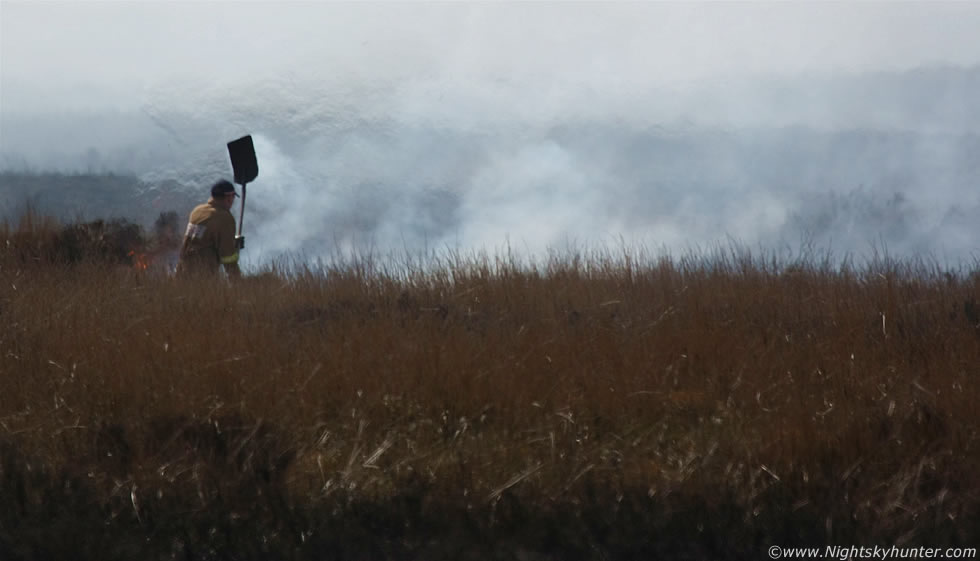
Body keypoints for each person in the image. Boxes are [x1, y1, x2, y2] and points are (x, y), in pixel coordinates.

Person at [176, 179, 243, 278]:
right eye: (233, 197)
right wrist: (237, 281)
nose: (232, 201)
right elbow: (228, 256)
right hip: (204, 275)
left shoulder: (197, 210)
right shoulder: (224, 217)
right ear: (228, 198)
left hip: (182, 270)